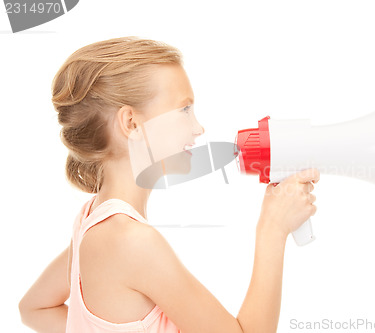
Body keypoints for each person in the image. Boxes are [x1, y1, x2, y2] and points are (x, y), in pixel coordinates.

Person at [18, 36, 319, 333]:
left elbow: (35, 309)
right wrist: (273, 228)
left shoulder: (90, 222)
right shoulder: (132, 241)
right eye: (185, 109)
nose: (199, 127)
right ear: (131, 124)